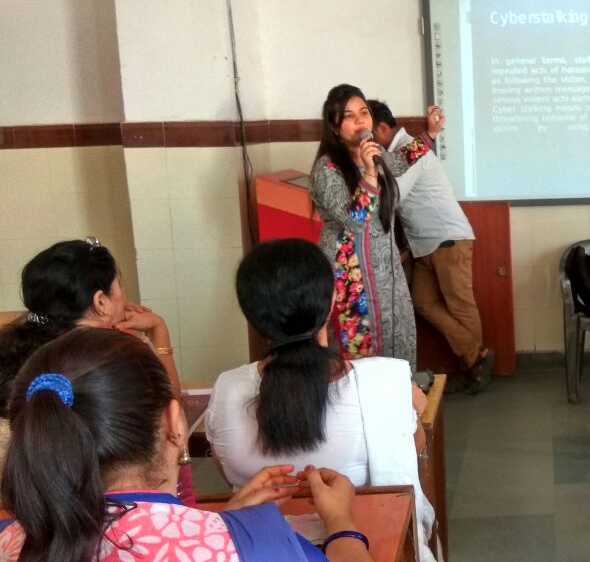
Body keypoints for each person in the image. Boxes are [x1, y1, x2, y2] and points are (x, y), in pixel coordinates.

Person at [0, 327, 373, 562]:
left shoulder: (11, 539)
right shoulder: (258, 547)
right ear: (174, 422)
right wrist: (340, 522)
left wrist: (220, 521)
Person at [206, 238, 438, 562]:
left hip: (261, 550)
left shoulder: (227, 388)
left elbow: (225, 469)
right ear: (332, 300)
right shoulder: (384, 381)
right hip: (369, 542)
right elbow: (413, 447)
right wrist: (412, 409)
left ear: (251, 314)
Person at [0, 238, 188, 500]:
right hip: (110, 505)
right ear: (101, 302)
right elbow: (171, 420)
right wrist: (158, 330)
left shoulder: (16, 353)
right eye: (119, 285)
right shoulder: (118, 355)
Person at [368, 100, 493, 393]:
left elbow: (394, 197)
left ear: (383, 128)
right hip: (424, 245)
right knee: (423, 302)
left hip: (447, 239)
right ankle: (478, 358)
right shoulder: (397, 153)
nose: (367, 141)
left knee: (461, 306)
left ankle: (473, 368)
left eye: (369, 132)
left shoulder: (412, 151)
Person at [311, 84, 419, 365]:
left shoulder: (377, 154)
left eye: (364, 112)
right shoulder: (328, 167)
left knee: (397, 344)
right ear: (334, 127)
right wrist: (370, 172)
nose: (360, 120)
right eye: (349, 115)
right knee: (359, 359)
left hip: (386, 273)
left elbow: (401, 162)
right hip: (351, 279)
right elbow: (354, 220)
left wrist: (430, 135)